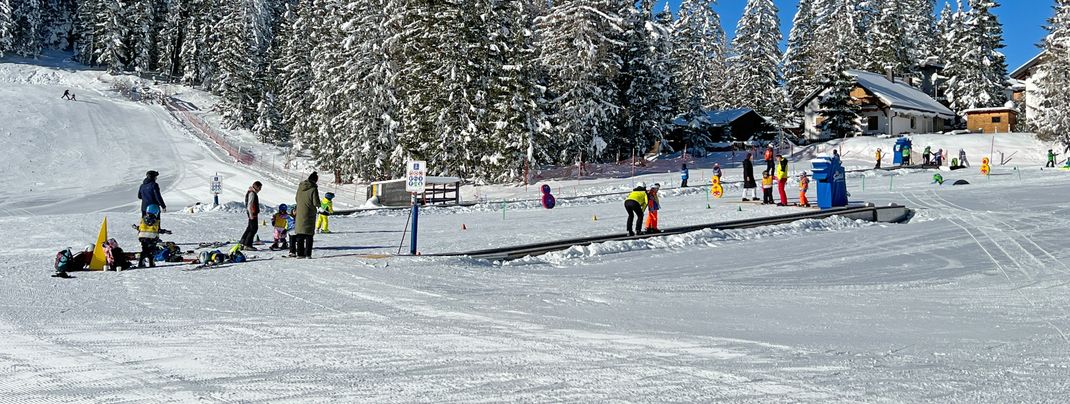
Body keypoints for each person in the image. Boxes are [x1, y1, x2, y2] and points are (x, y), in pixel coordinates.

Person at [292, 172, 321, 258]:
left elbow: (296, 199)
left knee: (300, 234)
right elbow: (316, 202)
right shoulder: (313, 189)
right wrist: (320, 205)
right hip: (309, 213)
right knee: (309, 235)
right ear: (315, 180)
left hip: (300, 212)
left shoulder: (300, 187)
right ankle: (308, 254)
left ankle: (300, 254)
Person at [240, 181, 262, 250]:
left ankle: (242, 242)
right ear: (257, 187)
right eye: (260, 188)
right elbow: (249, 205)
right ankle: (248, 245)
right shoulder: (252, 193)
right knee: (253, 229)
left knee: (249, 228)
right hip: (252, 214)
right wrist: (251, 215)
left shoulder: (251, 192)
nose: (260, 190)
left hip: (252, 213)